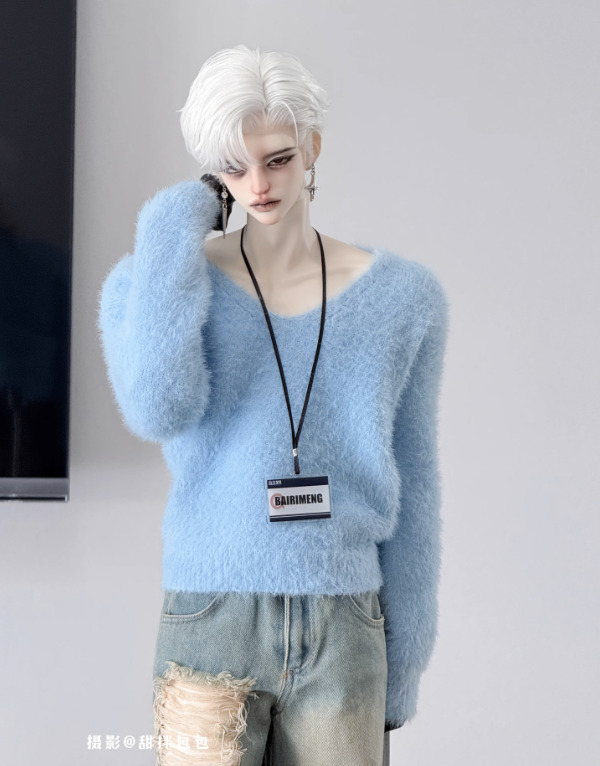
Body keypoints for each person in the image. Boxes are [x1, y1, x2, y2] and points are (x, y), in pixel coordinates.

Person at [98, 44, 449, 766]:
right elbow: (158, 408)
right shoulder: (159, 283)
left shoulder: (404, 299)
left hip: (344, 625)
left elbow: (415, 485)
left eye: (279, 159)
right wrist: (172, 222)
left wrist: (407, 655)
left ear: (312, 147)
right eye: (233, 167)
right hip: (210, 621)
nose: (257, 185)